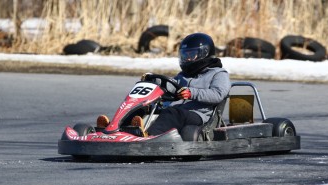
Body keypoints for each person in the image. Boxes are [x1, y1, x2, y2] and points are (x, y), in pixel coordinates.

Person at [98, 32, 231, 137]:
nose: (187, 59)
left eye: (191, 55)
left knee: (173, 113)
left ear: (204, 53)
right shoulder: (183, 76)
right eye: (185, 55)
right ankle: (114, 130)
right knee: (143, 107)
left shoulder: (218, 74)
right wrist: (153, 83)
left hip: (198, 115)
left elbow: (218, 94)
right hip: (177, 109)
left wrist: (192, 93)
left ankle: (150, 136)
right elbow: (170, 87)